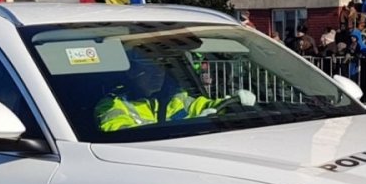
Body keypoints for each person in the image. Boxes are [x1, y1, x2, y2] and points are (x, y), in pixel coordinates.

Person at [95, 55, 256, 132]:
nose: (157, 75)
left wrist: (235, 100)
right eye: (149, 69)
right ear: (132, 72)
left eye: (160, 68)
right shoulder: (112, 105)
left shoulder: (175, 98)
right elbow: (119, 133)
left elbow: (205, 106)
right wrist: (189, 124)